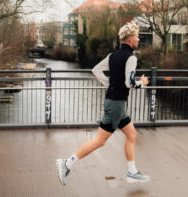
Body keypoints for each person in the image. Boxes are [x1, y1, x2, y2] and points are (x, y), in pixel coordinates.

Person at [56, 21, 150, 185]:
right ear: (129, 40)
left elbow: (96, 70)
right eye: (136, 36)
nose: (139, 39)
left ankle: (132, 172)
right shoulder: (131, 58)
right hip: (116, 105)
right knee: (99, 141)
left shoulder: (112, 56)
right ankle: (66, 163)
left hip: (115, 103)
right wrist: (142, 82)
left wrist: (109, 83)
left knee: (132, 135)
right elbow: (129, 83)